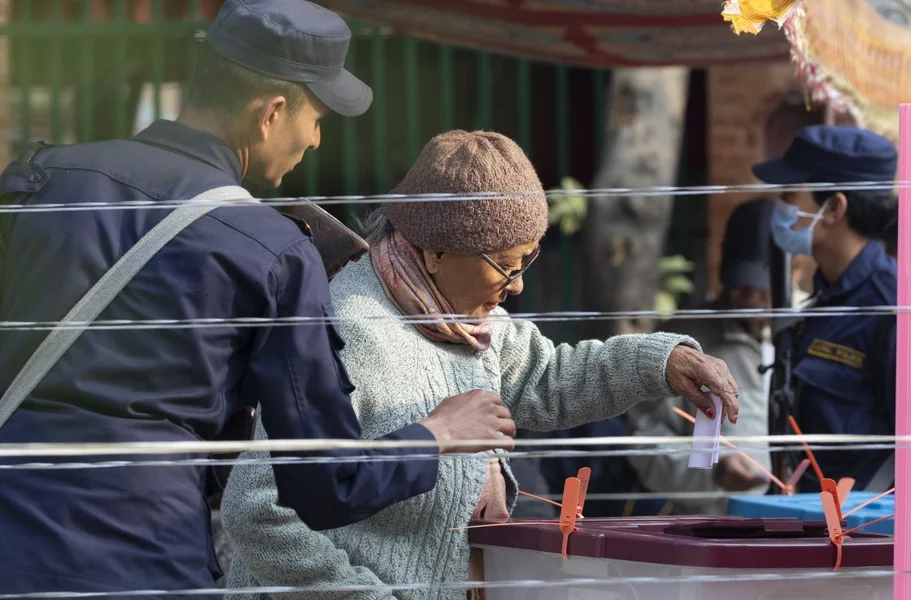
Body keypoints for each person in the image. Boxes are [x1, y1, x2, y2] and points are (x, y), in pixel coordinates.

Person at [0, 1, 513, 594]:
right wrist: (437, 435)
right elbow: (326, 484)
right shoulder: (270, 251)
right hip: (138, 561)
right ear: (271, 113)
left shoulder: (35, 181)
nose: (317, 141)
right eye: (316, 118)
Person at [220, 130, 740, 599]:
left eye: (526, 261)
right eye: (503, 265)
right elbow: (260, 510)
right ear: (435, 252)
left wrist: (662, 361)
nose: (516, 286)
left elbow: (549, 377)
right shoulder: (351, 332)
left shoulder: (467, 322)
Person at [753, 125, 898, 494]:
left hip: (866, 531)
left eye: (790, 192)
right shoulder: (825, 300)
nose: (781, 204)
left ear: (833, 208)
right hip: (810, 521)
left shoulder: (890, 306)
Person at [626, 198, 776, 515]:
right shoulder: (683, 342)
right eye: (741, 286)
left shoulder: (809, 333)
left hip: (799, 525)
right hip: (705, 530)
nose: (751, 299)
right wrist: (715, 475)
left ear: (796, 270)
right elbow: (645, 439)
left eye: (762, 289)